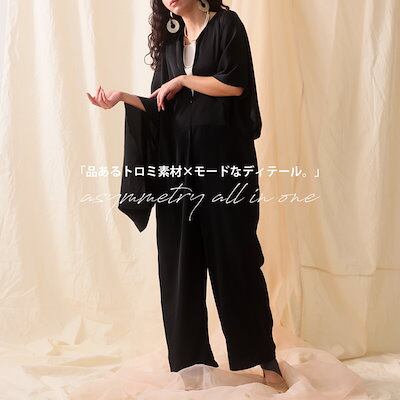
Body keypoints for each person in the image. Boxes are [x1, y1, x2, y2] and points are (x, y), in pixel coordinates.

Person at [87, 0, 289, 393]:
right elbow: (158, 104)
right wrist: (122, 97)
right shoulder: (171, 41)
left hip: (224, 164)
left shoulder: (227, 25)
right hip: (178, 168)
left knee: (237, 259)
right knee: (179, 262)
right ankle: (191, 363)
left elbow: (235, 84)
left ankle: (265, 359)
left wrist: (183, 80)